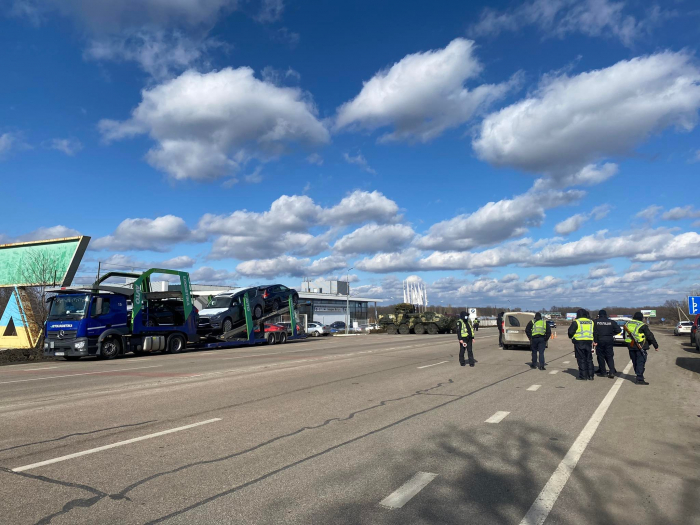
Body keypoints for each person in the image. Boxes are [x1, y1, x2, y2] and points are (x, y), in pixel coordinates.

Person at [625, 311, 659, 385]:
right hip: (640, 346)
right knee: (640, 362)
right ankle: (640, 379)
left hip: (630, 345)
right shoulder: (642, 325)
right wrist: (655, 346)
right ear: (641, 318)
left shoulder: (627, 324)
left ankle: (638, 375)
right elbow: (650, 336)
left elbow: (624, 335)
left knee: (635, 361)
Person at [568, 308, 595, 381]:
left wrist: (572, 338)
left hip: (579, 342)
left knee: (581, 359)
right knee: (589, 359)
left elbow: (570, 332)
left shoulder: (576, 322)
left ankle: (583, 376)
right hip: (589, 341)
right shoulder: (591, 322)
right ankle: (591, 375)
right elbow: (594, 331)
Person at [593, 309, 622, 378]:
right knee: (610, 356)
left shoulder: (595, 322)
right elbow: (619, 330)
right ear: (606, 315)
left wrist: (595, 340)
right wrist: (611, 334)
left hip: (599, 340)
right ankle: (612, 371)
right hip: (609, 339)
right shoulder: (611, 322)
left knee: (600, 356)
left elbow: (593, 332)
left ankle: (603, 372)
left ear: (599, 315)